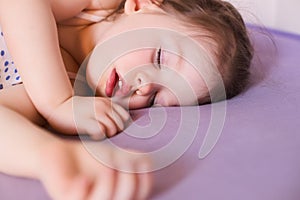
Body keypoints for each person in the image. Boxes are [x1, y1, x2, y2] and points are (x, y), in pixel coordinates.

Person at [0, 0, 253, 199]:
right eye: (160, 58)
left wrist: (49, 157)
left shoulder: (74, 88)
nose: (144, 87)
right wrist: (56, 101)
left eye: (155, 97)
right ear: (141, 5)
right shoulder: (95, 6)